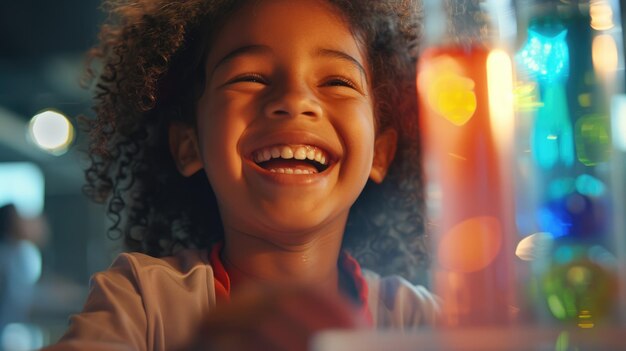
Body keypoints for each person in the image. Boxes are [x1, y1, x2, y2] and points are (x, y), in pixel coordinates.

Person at [45, 0, 439, 349]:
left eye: (337, 81)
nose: (294, 100)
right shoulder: (142, 301)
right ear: (189, 145)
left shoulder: (420, 322)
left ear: (381, 153)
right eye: (249, 78)